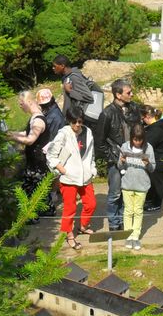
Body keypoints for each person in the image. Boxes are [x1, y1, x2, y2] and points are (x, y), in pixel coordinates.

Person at [44, 106, 97, 250]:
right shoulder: (63, 134)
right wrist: (62, 169)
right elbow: (51, 154)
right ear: (69, 121)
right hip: (69, 178)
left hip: (85, 176)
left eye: (80, 121)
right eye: (74, 122)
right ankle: (69, 236)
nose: (77, 125)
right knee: (70, 208)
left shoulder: (88, 132)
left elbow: (91, 153)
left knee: (91, 204)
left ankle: (83, 226)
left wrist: (92, 169)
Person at [99, 79, 139, 230]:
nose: (132, 94)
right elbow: (100, 142)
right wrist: (114, 159)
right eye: (129, 92)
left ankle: (123, 220)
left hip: (132, 157)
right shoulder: (107, 113)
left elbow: (139, 131)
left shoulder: (133, 108)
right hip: (116, 159)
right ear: (118, 95)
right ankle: (114, 223)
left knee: (127, 192)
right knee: (115, 193)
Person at [6, 91, 50, 221]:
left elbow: (30, 139)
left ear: (30, 102)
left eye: (21, 103)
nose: (20, 106)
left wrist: (12, 138)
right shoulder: (34, 117)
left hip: (37, 163)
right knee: (36, 190)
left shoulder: (38, 121)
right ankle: (41, 213)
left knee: (31, 190)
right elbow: (26, 133)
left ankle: (32, 217)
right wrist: (10, 133)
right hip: (34, 161)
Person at [119, 123, 155, 251]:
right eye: (135, 139)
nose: (137, 142)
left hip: (142, 185)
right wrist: (121, 161)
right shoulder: (124, 146)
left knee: (138, 211)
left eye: (140, 140)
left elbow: (153, 168)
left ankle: (135, 236)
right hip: (127, 184)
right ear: (131, 138)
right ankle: (128, 236)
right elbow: (120, 167)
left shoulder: (148, 148)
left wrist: (147, 164)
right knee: (128, 211)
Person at [37, 88, 66, 216]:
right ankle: (54, 194)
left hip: (52, 148)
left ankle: (52, 196)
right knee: (55, 173)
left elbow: (52, 137)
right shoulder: (53, 111)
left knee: (52, 173)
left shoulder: (54, 116)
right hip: (54, 147)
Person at [143, 105, 163, 212]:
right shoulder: (161, 120)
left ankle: (156, 203)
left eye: (142, 119)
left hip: (161, 158)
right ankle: (150, 199)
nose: (142, 121)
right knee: (152, 178)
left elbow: (146, 146)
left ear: (147, 116)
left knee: (157, 181)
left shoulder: (155, 130)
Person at [51, 54, 94, 122]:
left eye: (54, 66)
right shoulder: (67, 77)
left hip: (75, 120)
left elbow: (89, 97)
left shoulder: (74, 78)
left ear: (62, 66)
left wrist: (70, 91)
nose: (53, 68)